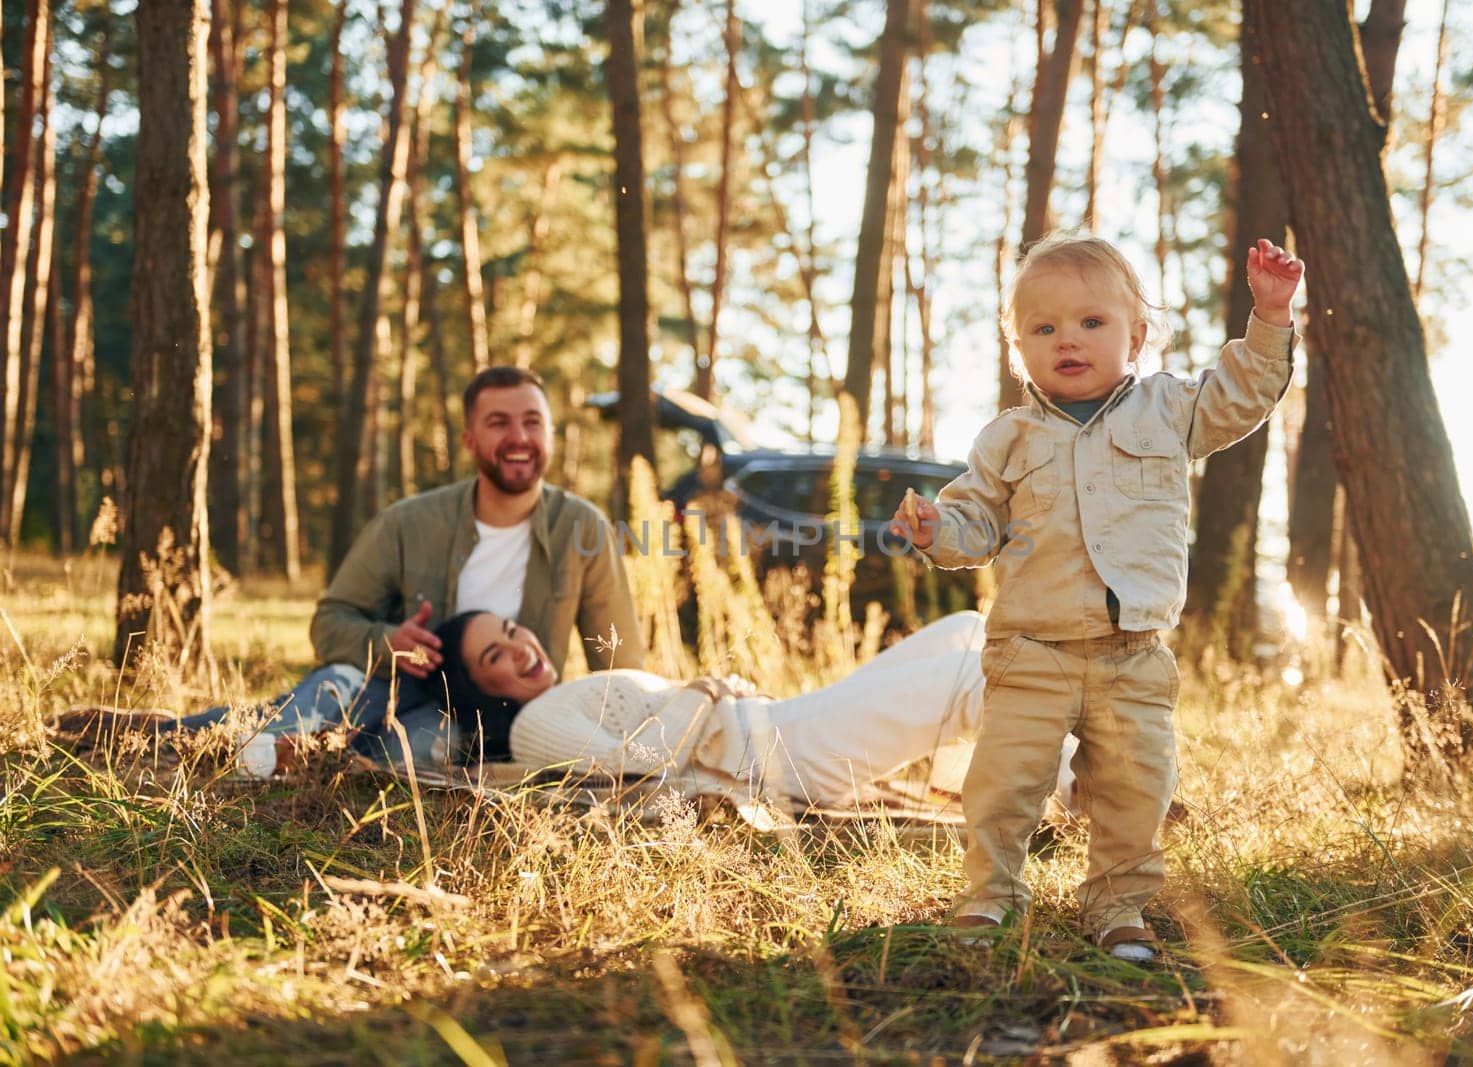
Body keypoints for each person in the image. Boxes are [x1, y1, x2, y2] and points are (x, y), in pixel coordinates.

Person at [890, 233, 1303, 960]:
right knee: (1002, 786)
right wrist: (934, 528)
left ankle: (1118, 907)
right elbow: (976, 520)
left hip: (1133, 654)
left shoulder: (1169, 411)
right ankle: (989, 898)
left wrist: (1269, 316)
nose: (1066, 341)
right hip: (1030, 652)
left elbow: (1242, 396)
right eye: (1042, 329)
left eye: (1090, 322)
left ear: (1136, 336)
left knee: (1134, 789)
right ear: (1020, 348)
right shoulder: (1007, 438)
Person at [56, 366, 645, 771]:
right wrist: (387, 642)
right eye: (499, 423)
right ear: (470, 438)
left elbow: (619, 664)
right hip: (391, 686)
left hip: (494, 724)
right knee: (320, 698)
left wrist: (620, 741)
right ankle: (155, 734)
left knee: (406, 758)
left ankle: (301, 757)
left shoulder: (582, 529)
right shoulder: (409, 523)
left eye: (532, 422)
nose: (519, 438)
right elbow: (330, 622)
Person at [424, 609, 1083, 817]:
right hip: (777, 756)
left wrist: (712, 694)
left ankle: (957, 788)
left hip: (781, 723)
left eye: (511, 631)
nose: (519, 649)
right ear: (485, 689)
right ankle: (1092, 787)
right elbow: (638, 765)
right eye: (495, 656)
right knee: (968, 675)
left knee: (966, 628)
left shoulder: (573, 685)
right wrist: (705, 692)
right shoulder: (534, 725)